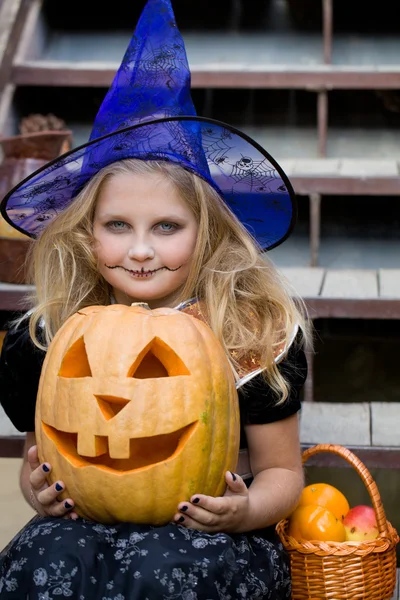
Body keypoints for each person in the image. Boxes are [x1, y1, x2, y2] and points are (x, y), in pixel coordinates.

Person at [0, 0, 311, 597]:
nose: (140, 250)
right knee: (43, 564)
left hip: (209, 535)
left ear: (208, 230)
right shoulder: (55, 330)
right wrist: (35, 489)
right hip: (85, 525)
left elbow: (281, 473)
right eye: (117, 225)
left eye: (166, 227)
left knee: (165, 576)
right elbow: (43, 457)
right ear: (85, 231)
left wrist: (244, 512)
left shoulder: (249, 329)